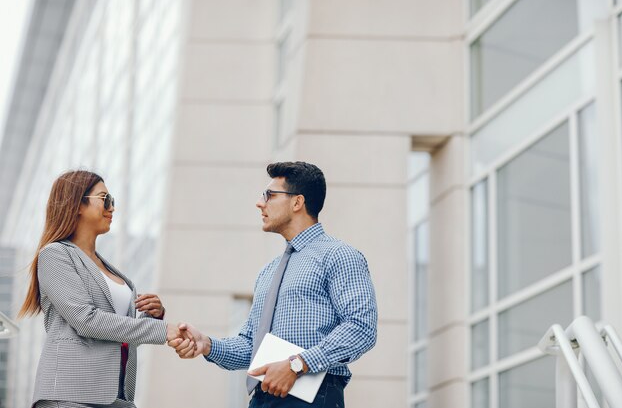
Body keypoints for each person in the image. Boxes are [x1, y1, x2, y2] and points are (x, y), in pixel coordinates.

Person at [169, 161, 378, 407]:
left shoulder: (338, 256)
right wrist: (207, 344)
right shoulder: (268, 272)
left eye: (269, 195)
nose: (260, 203)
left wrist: (297, 365)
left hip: (312, 398)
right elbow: (250, 346)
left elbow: (362, 327)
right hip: (263, 397)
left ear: (297, 202)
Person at [18, 170, 186, 408]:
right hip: (70, 395)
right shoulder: (54, 255)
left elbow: (117, 334)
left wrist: (153, 316)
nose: (112, 207)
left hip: (113, 396)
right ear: (77, 204)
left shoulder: (111, 270)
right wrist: (161, 330)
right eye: (105, 199)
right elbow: (86, 321)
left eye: (113, 201)